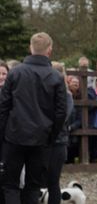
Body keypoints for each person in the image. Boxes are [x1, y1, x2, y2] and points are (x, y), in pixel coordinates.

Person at [0, 32, 68, 204]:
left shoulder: (15, 74)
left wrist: (3, 135)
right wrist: (51, 136)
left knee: (11, 185)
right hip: (42, 139)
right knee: (33, 186)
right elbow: (61, 112)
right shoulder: (56, 78)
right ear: (49, 50)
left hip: (14, 137)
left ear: (30, 48)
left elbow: (3, 107)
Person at [46, 62, 74, 204]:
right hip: (46, 141)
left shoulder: (67, 96)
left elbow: (63, 117)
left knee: (53, 181)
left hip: (58, 141)